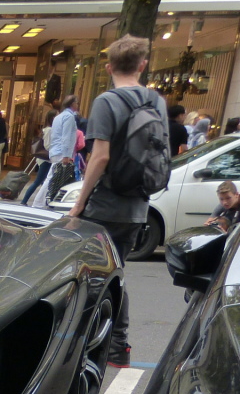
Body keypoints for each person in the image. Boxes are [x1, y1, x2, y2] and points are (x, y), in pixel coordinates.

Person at [67, 34, 170, 368]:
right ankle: (118, 347)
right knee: (116, 273)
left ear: (109, 66)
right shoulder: (157, 103)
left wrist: (79, 203)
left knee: (93, 276)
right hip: (137, 209)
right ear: (142, 65)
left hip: (105, 205)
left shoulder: (106, 102)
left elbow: (99, 157)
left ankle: (86, 347)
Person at [31, 94, 78, 209]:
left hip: (55, 151)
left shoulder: (59, 117)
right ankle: (39, 203)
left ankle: (40, 202)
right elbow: (67, 137)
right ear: (72, 104)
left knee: (52, 177)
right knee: (52, 178)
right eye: (77, 103)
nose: (78, 105)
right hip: (61, 152)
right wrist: (67, 155)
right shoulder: (69, 117)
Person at [20, 112, 55, 205]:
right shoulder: (50, 130)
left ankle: (41, 201)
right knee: (39, 181)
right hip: (46, 159)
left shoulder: (46, 129)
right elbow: (47, 145)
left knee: (42, 181)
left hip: (44, 159)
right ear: (52, 118)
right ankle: (24, 201)